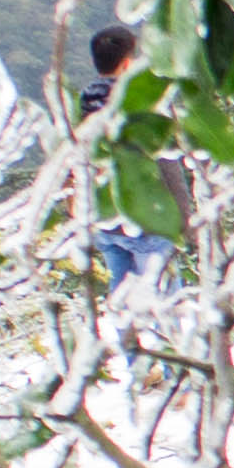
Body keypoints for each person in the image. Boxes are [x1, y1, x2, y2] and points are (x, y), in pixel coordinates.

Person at [80, 24, 180, 289]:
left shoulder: (85, 102)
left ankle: (124, 331)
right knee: (164, 299)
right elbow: (166, 159)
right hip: (146, 217)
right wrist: (181, 216)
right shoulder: (141, 103)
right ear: (127, 64)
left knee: (122, 296)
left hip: (103, 219)